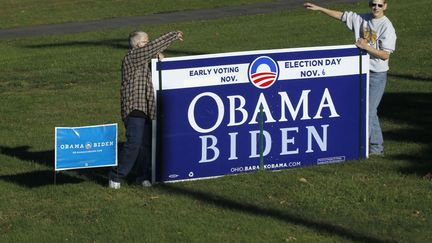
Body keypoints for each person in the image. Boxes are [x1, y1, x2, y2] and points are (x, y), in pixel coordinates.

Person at [304, 0, 396, 156]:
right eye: (373, 4)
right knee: (366, 109)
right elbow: (342, 16)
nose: (376, 7)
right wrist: (320, 8)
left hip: (377, 75)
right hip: (360, 71)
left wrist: (366, 47)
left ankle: (367, 148)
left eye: (380, 5)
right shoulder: (362, 19)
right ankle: (371, 146)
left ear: (385, 6)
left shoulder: (387, 26)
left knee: (368, 110)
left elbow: (385, 55)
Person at [109, 30, 184, 189]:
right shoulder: (132, 57)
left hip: (148, 109)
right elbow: (153, 48)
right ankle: (116, 176)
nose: (148, 44)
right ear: (138, 44)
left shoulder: (146, 61)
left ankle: (141, 176)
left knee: (145, 146)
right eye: (146, 41)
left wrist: (160, 61)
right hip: (134, 108)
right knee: (134, 144)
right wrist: (173, 35)